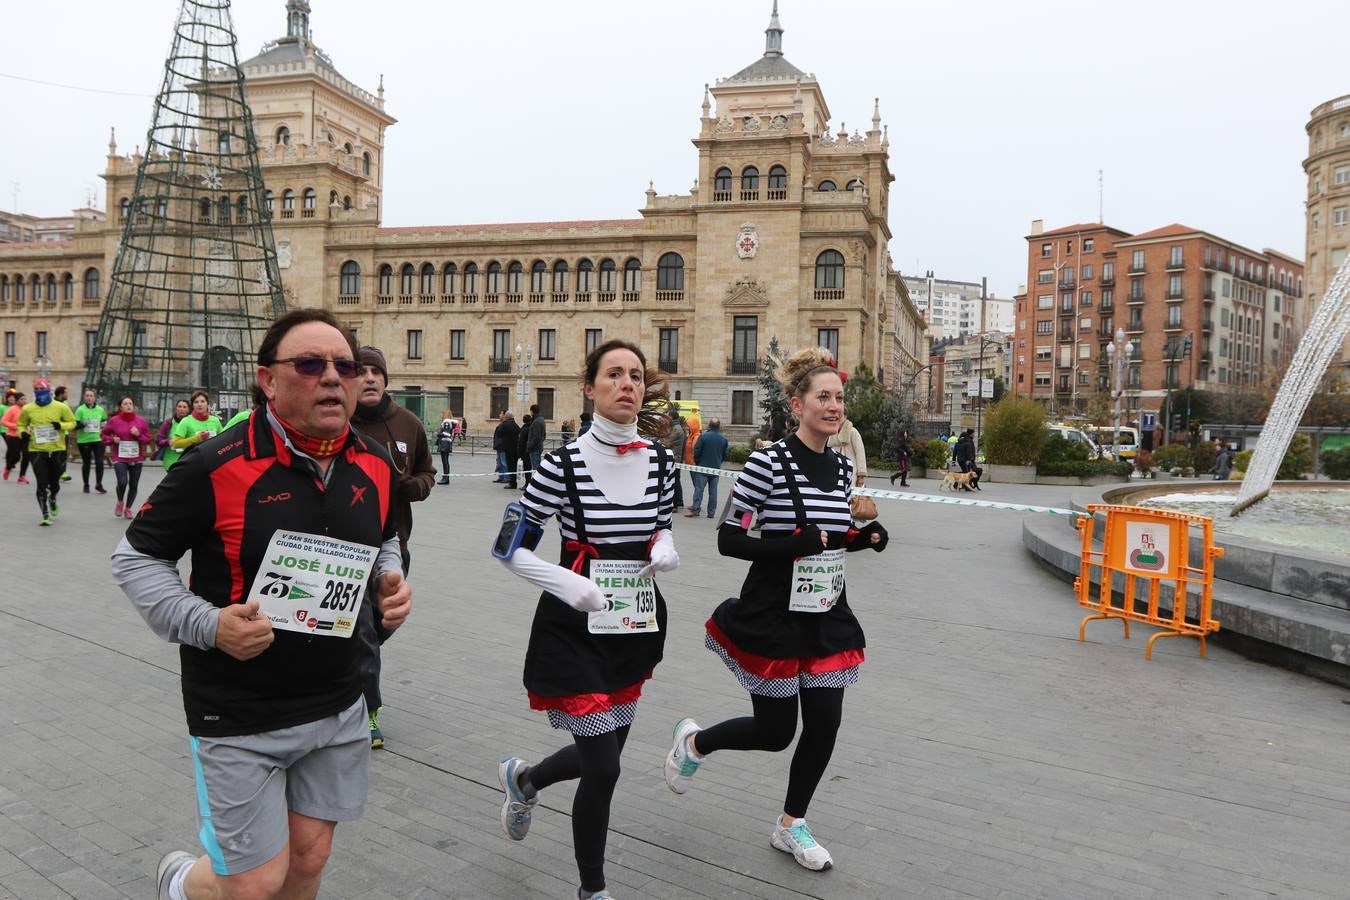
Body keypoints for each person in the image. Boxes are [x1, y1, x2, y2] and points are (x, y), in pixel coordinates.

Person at [112, 308, 412, 900]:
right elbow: (135, 559)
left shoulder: (376, 462)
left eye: (344, 365)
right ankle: (180, 881)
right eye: (309, 364)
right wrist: (208, 624)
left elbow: (383, 536)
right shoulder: (214, 464)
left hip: (337, 699)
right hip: (239, 709)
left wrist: (389, 578)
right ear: (268, 380)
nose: (332, 377)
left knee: (309, 860)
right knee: (253, 884)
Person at [662, 347, 888, 873]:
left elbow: (829, 538)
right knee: (776, 732)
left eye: (839, 398)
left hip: (827, 608)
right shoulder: (768, 463)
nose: (834, 406)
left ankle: (791, 825)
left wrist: (864, 537)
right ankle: (694, 743)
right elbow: (729, 540)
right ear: (798, 403)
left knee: (826, 722)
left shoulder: (840, 465)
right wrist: (795, 543)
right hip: (774, 612)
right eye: (823, 397)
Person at [495, 339, 679, 900]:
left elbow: (661, 521)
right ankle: (592, 889)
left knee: (608, 755)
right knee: (604, 768)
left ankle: (525, 780)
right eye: (614, 374)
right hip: (575, 625)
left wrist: (665, 543)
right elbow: (509, 546)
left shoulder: (661, 460)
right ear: (590, 387)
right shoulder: (561, 464)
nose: (628, 384)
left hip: (634, 623)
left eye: (635, 376)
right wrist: (568, 582)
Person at [351, 344, 436, 748]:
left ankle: (349, 680)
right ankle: (368, 711)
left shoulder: (408, 423)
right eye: (362, 371)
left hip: (394, 544)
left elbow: (427, 472)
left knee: (378, 626)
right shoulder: (338, 420)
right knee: (362, 631)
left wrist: (412, 487)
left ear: (385, 379)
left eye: (376, 372)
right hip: (345, 549)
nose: (369, 378)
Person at [17, 379, 77, 526]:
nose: (39, 391)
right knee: (41, 483)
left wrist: (61, 425)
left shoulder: (61, 407)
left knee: (55, 484)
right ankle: (45, 514)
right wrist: (23, 433)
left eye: (41, 388)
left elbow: (73, 422)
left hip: (57, 450)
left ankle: (53, 498)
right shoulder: (27, 409)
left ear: (49, 390)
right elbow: (21, 424)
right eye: (36, 389)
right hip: (36, 451)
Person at [101, 396, 153, 518]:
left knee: (134, 485)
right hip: (120, 457)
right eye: (125, 403)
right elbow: (103, 436)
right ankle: (120, 502)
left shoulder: (141, 421)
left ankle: (128, 508)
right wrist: (112, 439)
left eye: (130, 403)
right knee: (122, 482)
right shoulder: (114, 421)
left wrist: (138, 434)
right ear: (121, 407)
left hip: (136, 458)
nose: (128, 405)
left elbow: (147, 439)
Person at [687, 417, 729, 517]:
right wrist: (718, 462)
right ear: (719, 426)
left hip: (702, 468)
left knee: (699, 490)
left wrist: (698, 463)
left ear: (709, 425)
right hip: (715, 469)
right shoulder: (723, 439)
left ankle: (696, 510)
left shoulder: (703, 436)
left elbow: (696, 451)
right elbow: (725, 455)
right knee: (713, 492)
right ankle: (711, 513)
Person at [74, 388, 109, 493]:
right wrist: (82, 424)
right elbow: (74, 425)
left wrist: (104, 426)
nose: (89, 398)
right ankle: (86, 485)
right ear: (84, 398)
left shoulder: (100, 409)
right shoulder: (80, 410)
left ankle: (99, 484)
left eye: (91, 396)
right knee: (87, 462)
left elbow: (104, 421)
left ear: (95, 398)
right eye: (87, 396)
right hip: (84, 440)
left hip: (98, 439)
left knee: (99, 461)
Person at [171, 390, 222, 455]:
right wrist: (197, 438)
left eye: (202, 401)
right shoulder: (186, 421)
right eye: (196, 402)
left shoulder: (215, 420)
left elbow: (222, 439)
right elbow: (175, 444)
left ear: (207, 404)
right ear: (192, 405)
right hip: (192, 461)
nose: (199, 404)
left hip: (212, 460)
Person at [826, 414, 868, 486]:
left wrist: (861, 476)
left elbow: (860, 454)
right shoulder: (831, 433)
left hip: (850, 471)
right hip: (834, 471)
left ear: (845, 416)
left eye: (840, 415)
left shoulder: (853, 432)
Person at [3, 388, 30, 483]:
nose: (24, 401)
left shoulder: (28, 409)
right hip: (12, 436)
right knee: (16, 457)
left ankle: (22, 476)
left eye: (25, 399)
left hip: (25, 435)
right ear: (17, 401)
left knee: (27, 456)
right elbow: (3, 421)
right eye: (22, 399)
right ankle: (8, 467)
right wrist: (16, 426)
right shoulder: (12, 409)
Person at [661, 412, 686, 511]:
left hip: (674, 458)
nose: (666, 418)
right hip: (674, 457)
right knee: (676, 480)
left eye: (667, 416)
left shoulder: (676, 429)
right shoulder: (674, 427)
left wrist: (659, 441)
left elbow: (666, 442)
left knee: (673, 481)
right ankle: (679, 502)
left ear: (671, 418)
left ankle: (675, 504)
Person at [157, 399, 190, 468]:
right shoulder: (168, 423)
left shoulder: (192, 423)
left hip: (187, 458)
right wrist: (168, 442)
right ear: (176, 408)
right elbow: (159, 439)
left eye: (184, 407)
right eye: (179, 406)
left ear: (188, 410)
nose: (181, 409)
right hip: (170, 460)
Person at [54, 386, 75, 482]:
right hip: (54, 434)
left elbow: (70, 418)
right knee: (55, 454)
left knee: (63, 454)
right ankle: (54, 472)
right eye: (66, 393)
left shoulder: (66, 403)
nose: (67, 395)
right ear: (61, 394)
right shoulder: (52, 404)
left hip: (65, 432)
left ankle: (63, 473)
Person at [494, 410, 520, 486]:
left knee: (504, 463)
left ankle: (506, 477)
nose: (500, 415)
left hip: (504, 446)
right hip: (502, 446)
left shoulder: (505, 424)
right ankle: (502, 476)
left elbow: (500, 433)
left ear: (506, 416)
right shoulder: (513, 424)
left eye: (501, 414)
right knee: (500, 463)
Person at [525, 403, 546, 486]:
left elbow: (536, 437)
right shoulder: (541, 420)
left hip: (535, 448)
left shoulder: (537, 421)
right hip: (538, 446)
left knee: (536, 467)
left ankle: (538, 484)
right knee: (537, 465)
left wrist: (529, 447)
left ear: (532, 411)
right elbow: (543, 435)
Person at [435, 412, 456, 485]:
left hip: (444, 444)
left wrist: (438, 434)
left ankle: (445, 478)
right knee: (445, 461)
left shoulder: (446, 423)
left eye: (442, 414)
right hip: (445, 444)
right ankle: (445, 477)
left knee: (445, 461)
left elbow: (447, 434)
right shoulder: (448, 423)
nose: (441, 416)